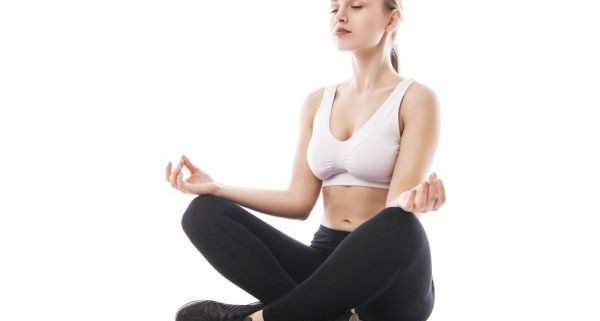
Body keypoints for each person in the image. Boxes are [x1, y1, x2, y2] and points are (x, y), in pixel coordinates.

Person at [165, 0, 445, 320]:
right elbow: (298, 202)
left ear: (391, 19)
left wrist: (415, 203)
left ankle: (262, 318)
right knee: (202, 213)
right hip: (324, 261)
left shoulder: (416, 98)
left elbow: (398, 205)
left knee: (401, 224)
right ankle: (325, 315)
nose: (340, 15)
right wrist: (217, 188)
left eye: (356, 6)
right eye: (334, 8)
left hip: (389, 277)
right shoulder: (317, 102)